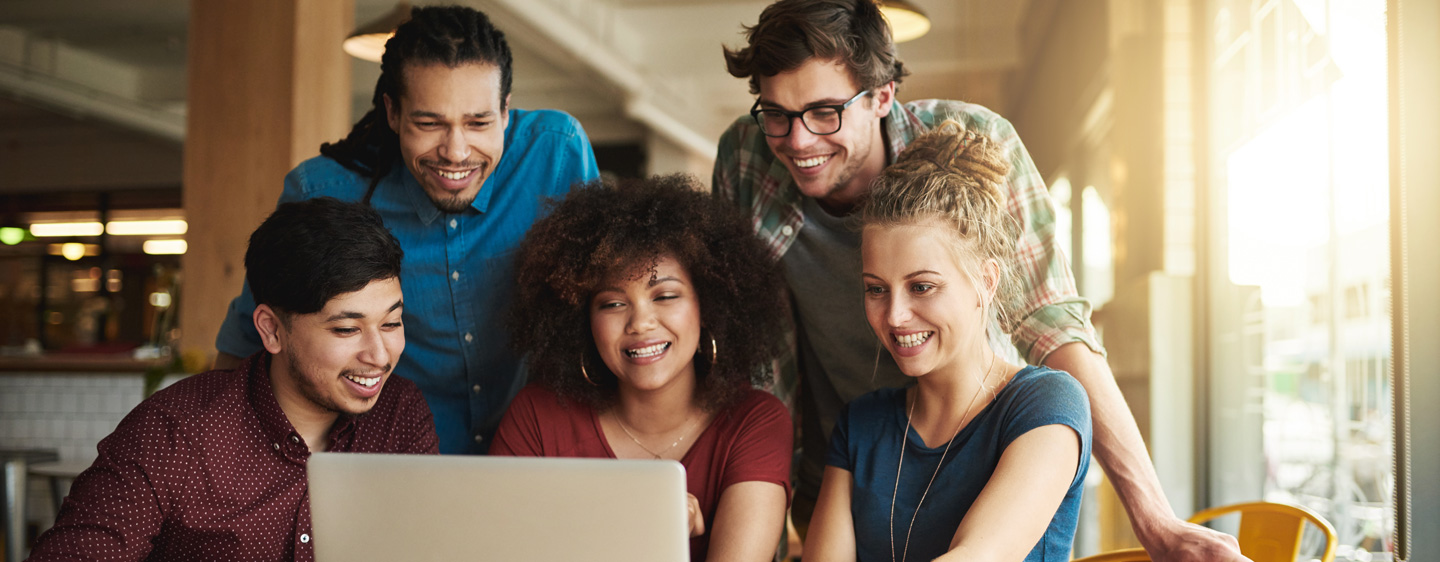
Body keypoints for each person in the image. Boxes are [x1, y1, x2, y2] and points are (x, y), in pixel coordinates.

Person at [713, 1, 1245, 560]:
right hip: (849, 464)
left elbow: (1051, 322)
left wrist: (1153, 518)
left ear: (882, 96)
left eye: (824, 112)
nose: (798, 141)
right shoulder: (745, 158)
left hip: (981, 455)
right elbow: (749, 364)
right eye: (777, 114)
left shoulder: (974, 140)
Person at [213, 5, 600, 454]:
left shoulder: (556, 153)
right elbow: (247, 345)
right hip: (388, 461)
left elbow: (601, 305)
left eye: (479, 122)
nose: (456, 152)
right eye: (429, 123)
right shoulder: (324, 191)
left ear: (506, 111)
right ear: (393, 112)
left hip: (538, 454)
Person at [28, 198, 437, 562]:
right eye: (347, 330)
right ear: (272, 330)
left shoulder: (399, 415)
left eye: (392, 323)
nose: (379, 356)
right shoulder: (173, 433)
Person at [805, 124, 1090, 561]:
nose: (895, 316)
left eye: (921, 287)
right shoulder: (861, 426)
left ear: (985, 282)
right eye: (876, 289)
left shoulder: (1046, 404)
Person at [491, 176, 792, 562]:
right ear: (582, 320)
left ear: (710, 305)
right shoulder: (537, 417)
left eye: (665, 296)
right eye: (612, 304)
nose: (640, 323)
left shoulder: (755, 422)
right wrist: (640, 520)